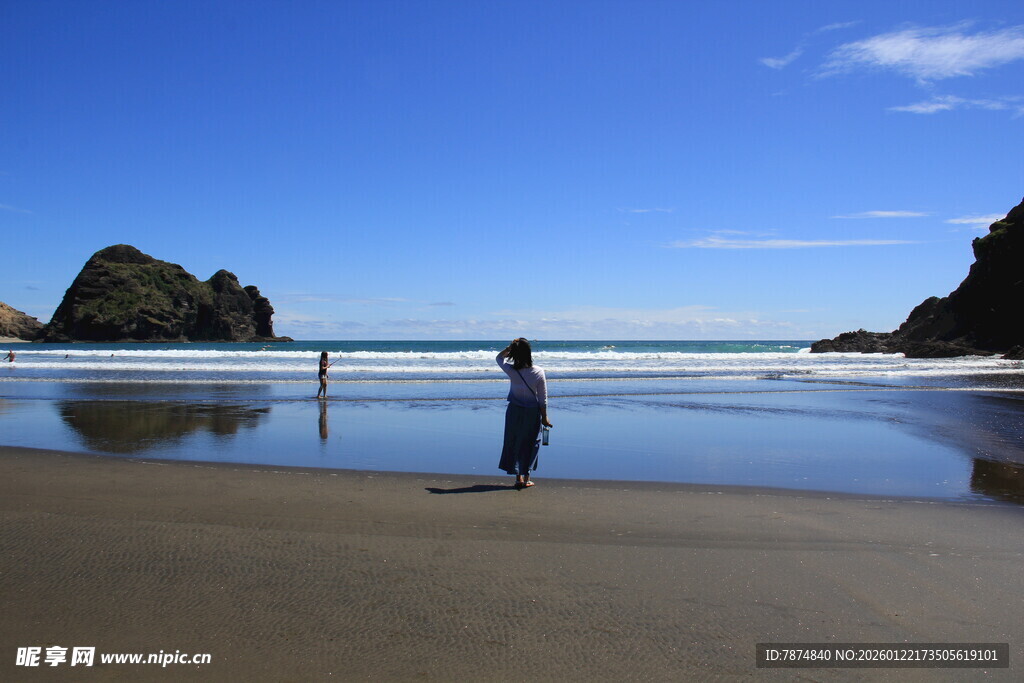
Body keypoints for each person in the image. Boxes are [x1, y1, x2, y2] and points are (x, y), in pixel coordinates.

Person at [496, 338, 552, 489]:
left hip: (514, 410)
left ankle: (517, 478)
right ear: (529, 353)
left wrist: (509, 348)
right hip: (532, 412)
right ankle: (526, 478)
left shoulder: (512, 370)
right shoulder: (538, 372)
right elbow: (543, 398)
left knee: (515, 441)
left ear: (514, 353)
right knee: (531, 443)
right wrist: (545, 417)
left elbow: (499, 358)